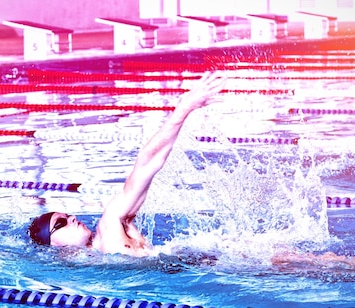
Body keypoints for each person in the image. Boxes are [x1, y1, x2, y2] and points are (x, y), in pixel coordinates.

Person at [28, 71, 228, 257]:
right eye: (61, 223)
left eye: (68, 215)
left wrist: (183, 109)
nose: (72, 218)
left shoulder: (112, 224)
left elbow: (145, 166)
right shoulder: (91, 262)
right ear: (52, 245)